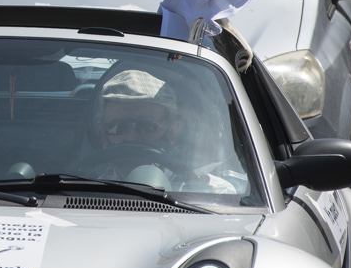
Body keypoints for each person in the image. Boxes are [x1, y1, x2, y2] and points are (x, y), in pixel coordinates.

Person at [87, 68, 239, 194]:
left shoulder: (215, 195)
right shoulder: (86, 192)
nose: (131, 135)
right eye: (117, 127)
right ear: (103, 136)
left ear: (173, 130)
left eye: (146, 126)